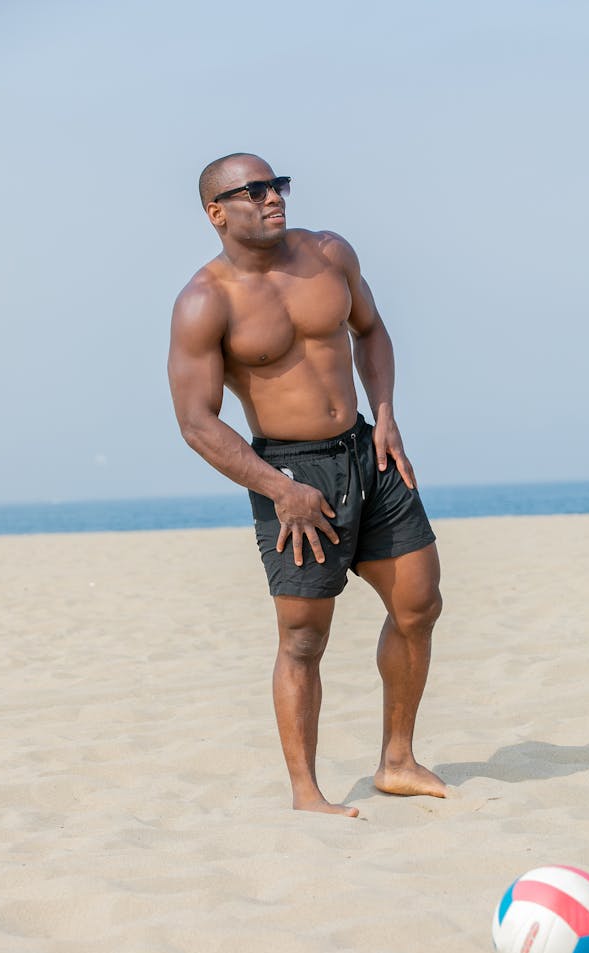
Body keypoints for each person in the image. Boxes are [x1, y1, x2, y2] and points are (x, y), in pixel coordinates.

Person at [168, 152, 446, 817]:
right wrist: (278, 488)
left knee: (420, 602)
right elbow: (196, 421)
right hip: (291, 472)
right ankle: (306, 792)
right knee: (302, 639)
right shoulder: (206, 300)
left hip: (366, 450)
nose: (273, 198)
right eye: (254, 190)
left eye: (277, 185)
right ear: (217, 212)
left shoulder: (328, 254)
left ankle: (397, 759)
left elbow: (370, 330)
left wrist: (384, 415)